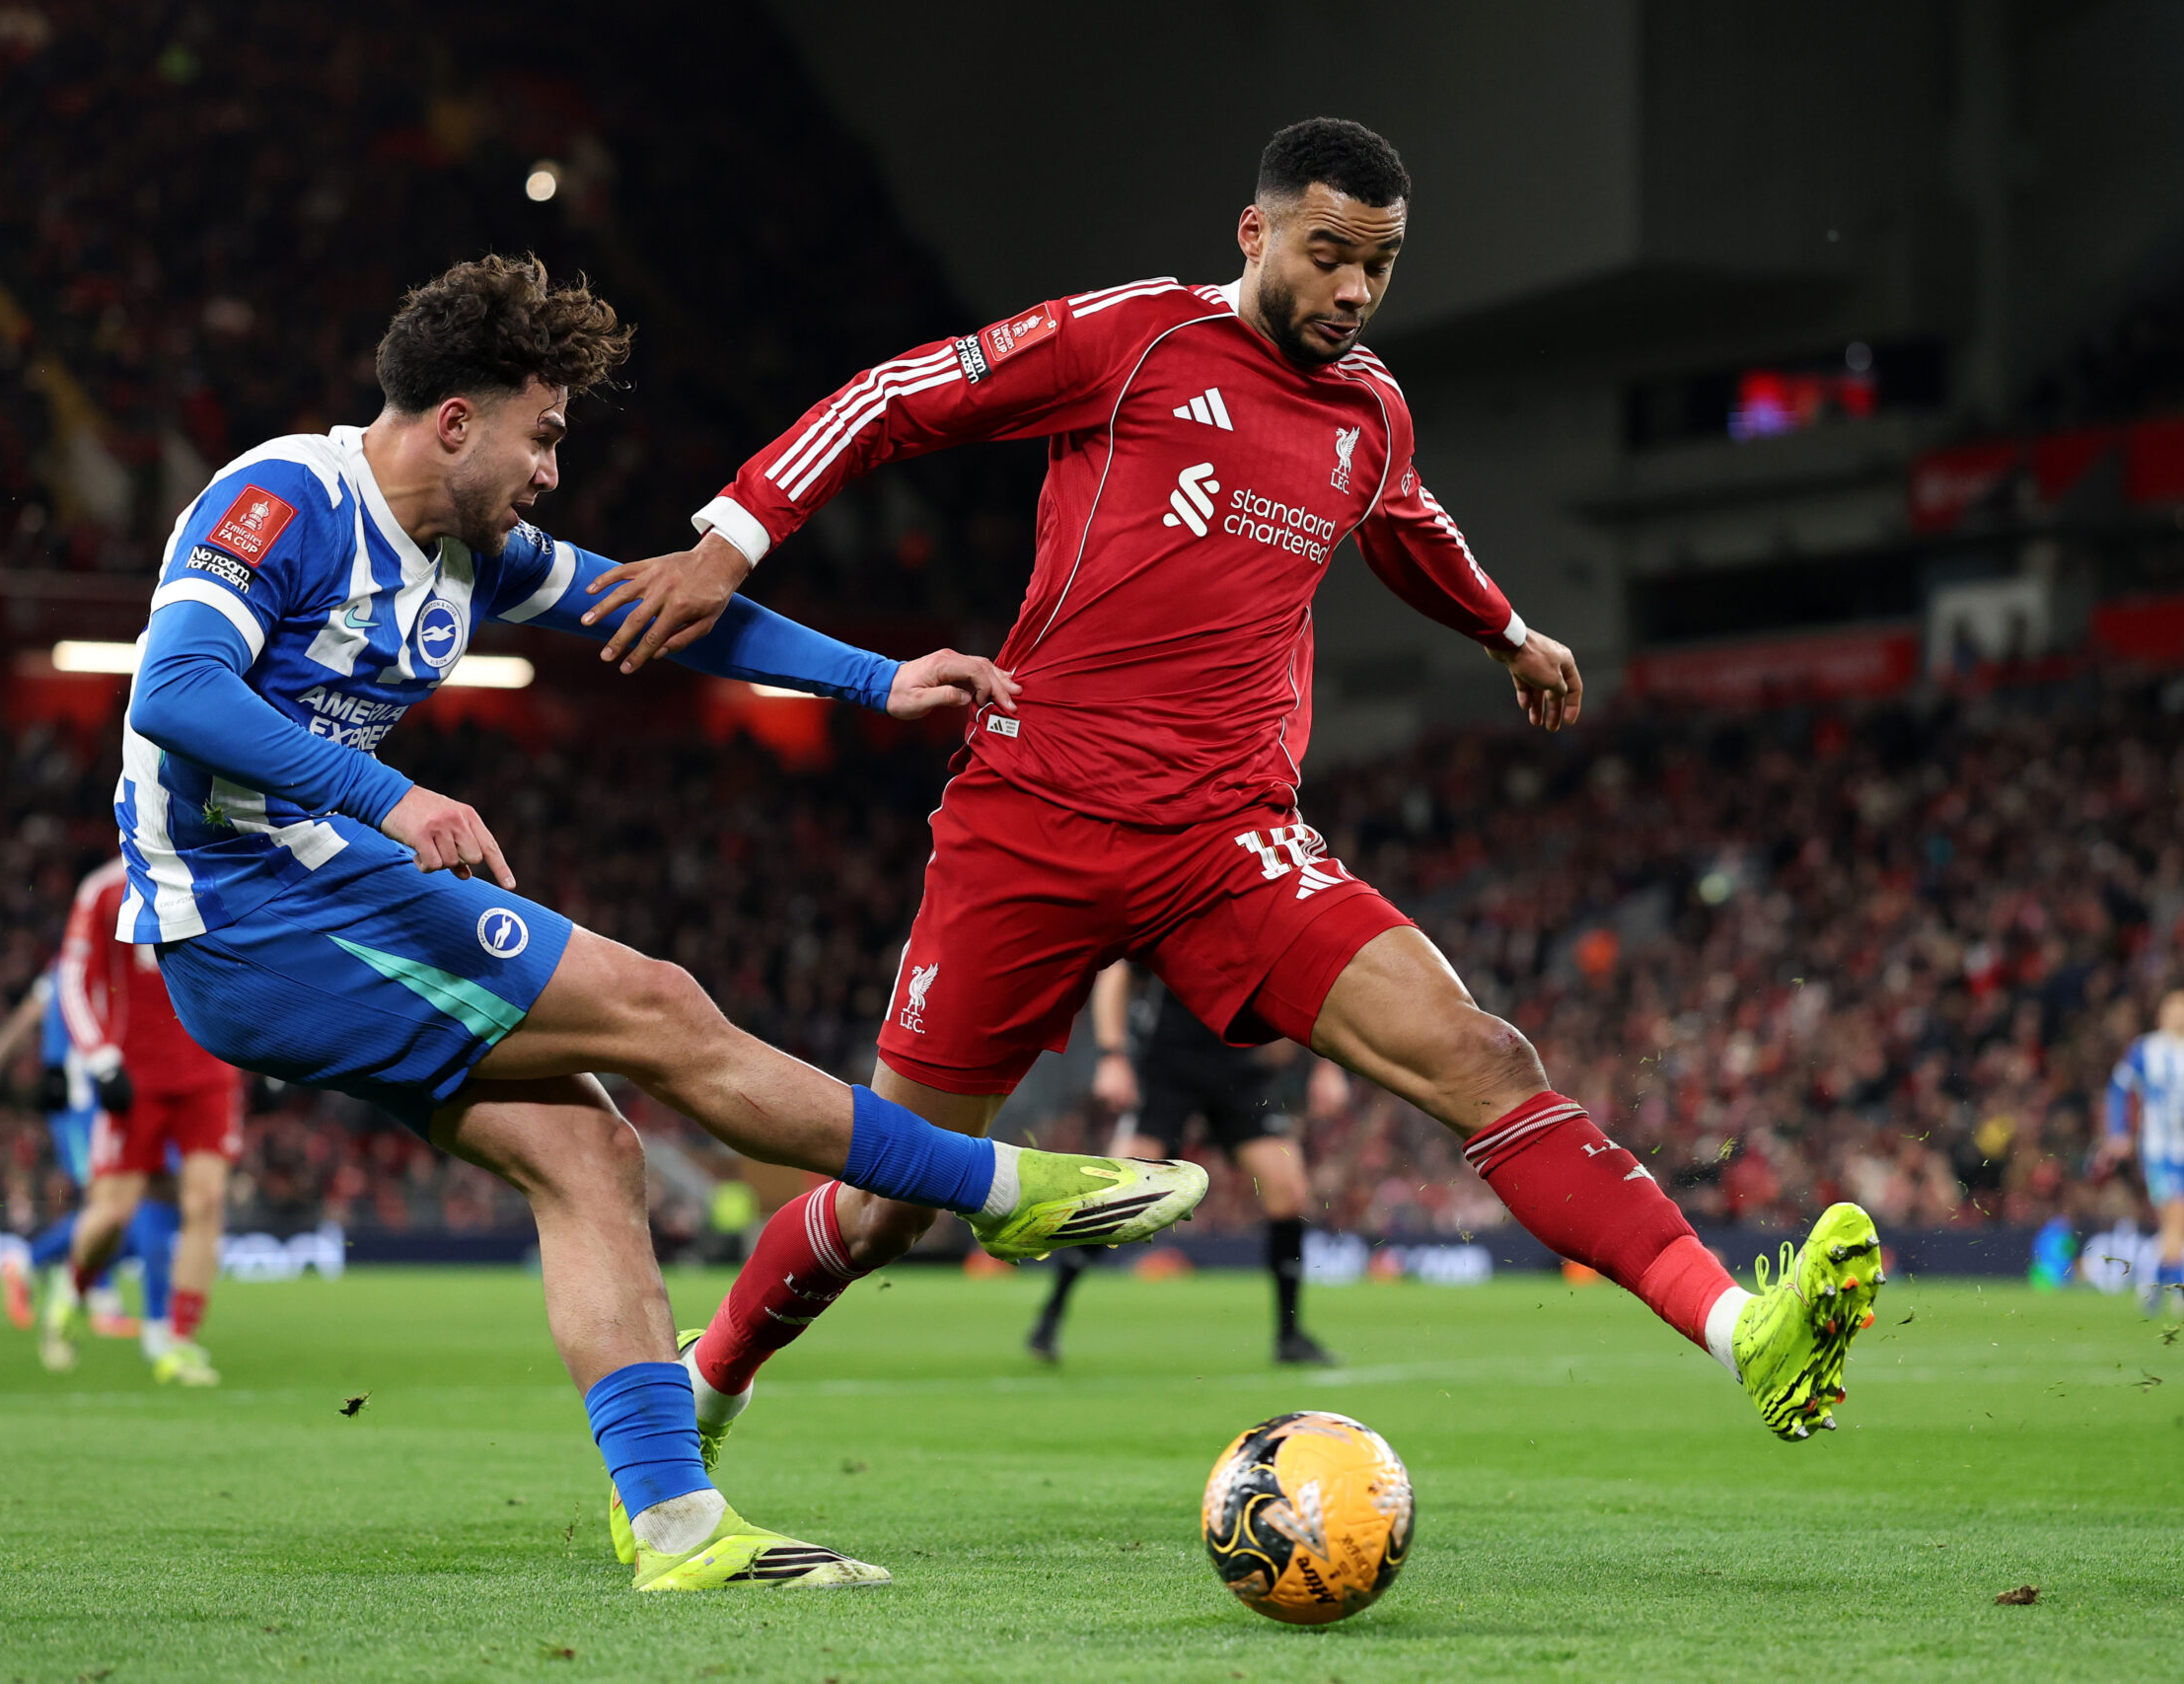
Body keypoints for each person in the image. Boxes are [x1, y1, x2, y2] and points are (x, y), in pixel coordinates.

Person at [585, 118, 1883, 1480]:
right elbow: (898, 392)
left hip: (1230, 838)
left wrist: (1505, 631)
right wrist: (727, 540)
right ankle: (708, 1374)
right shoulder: (1134, 338)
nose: (1353, 293)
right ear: (1256, 233)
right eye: (1329, 255)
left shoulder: (1370, 407)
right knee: (888, 1195)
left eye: (1377, 268)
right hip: (1034, 816)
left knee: (1481, 1056)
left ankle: (1749, 1333)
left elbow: (1406, 517)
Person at [112, 254, 1207, 1592]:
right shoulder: (286, 496)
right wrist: (390, 794)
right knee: (660, 1007)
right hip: (249, 914)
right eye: (546, 432)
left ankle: (678, 1530)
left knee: (591, 1155)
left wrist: (875, 678)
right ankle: (1000, 1192)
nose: (554, 470)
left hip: (325, 894)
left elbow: (668, 608)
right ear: (458, 419)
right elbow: (174, 688)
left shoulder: (475, 551)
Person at [1028, 962, 1336, 1366]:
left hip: (1238, 1068)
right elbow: (1117, 970)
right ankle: (1051, 1313)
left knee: (1288, 1190)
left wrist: (1326, 1066)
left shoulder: (1259, 915)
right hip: (1165, 1068)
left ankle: (1289, 1337)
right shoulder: (1176, 908)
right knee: (1118, 1194)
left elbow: (1308, 981)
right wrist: (1112, 1055)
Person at [46, 857, 243, 1383]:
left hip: (209, 1068)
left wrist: (266, 1046)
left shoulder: (220, 869)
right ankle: (71, 1290)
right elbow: (70, 979)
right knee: (114, 1213)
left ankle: (173, 1340)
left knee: (205, 1200)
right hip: (135, 1077)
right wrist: (98, 1056)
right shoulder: (104, 887)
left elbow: (250, 962)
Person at [0, 968, 182, 1366]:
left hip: (94, 1104)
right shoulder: (85, 969)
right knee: (113, 1204)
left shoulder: (74, 970)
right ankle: (31, 1264)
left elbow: (23, 1020)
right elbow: (27, 1020)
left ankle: (96, 1293)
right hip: (84, 1108)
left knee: (122, 1207)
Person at [2097, 989, 2184, 1312]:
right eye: (2174, 1008)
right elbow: (2118, 1088)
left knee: (2180, 1221)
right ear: (2162, 1014)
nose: (2180, 1015)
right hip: (2160, 1149)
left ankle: (2154, 1280)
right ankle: (2183, 1291)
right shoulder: (2145, 1049)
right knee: (2179, 1210)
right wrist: (2118, 1132)